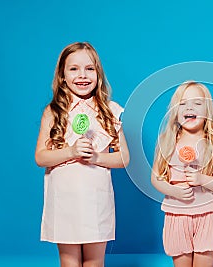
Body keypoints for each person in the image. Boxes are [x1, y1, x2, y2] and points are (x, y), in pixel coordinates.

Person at [35, 42, 130, 267]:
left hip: (96, 199)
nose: (82, 75)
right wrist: (70, 151)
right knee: (69, 262)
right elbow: (40, 157)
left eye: (89, 68)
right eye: (74, 69)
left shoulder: (110, 110)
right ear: (62, 76)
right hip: (64, 200)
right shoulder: (54, 112)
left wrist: (96, 157)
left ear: (98, 73)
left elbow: (124, 158)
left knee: (95, 262)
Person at [151, 81, 213, 267]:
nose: (189, 107)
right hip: (177, 215)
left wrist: (203, 179)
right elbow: (155, 178)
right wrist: (174, 191)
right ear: (175, 112)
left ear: (207, 111)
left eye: (197, 103)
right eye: (183, 103)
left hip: (208, 213)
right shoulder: (167, 142)